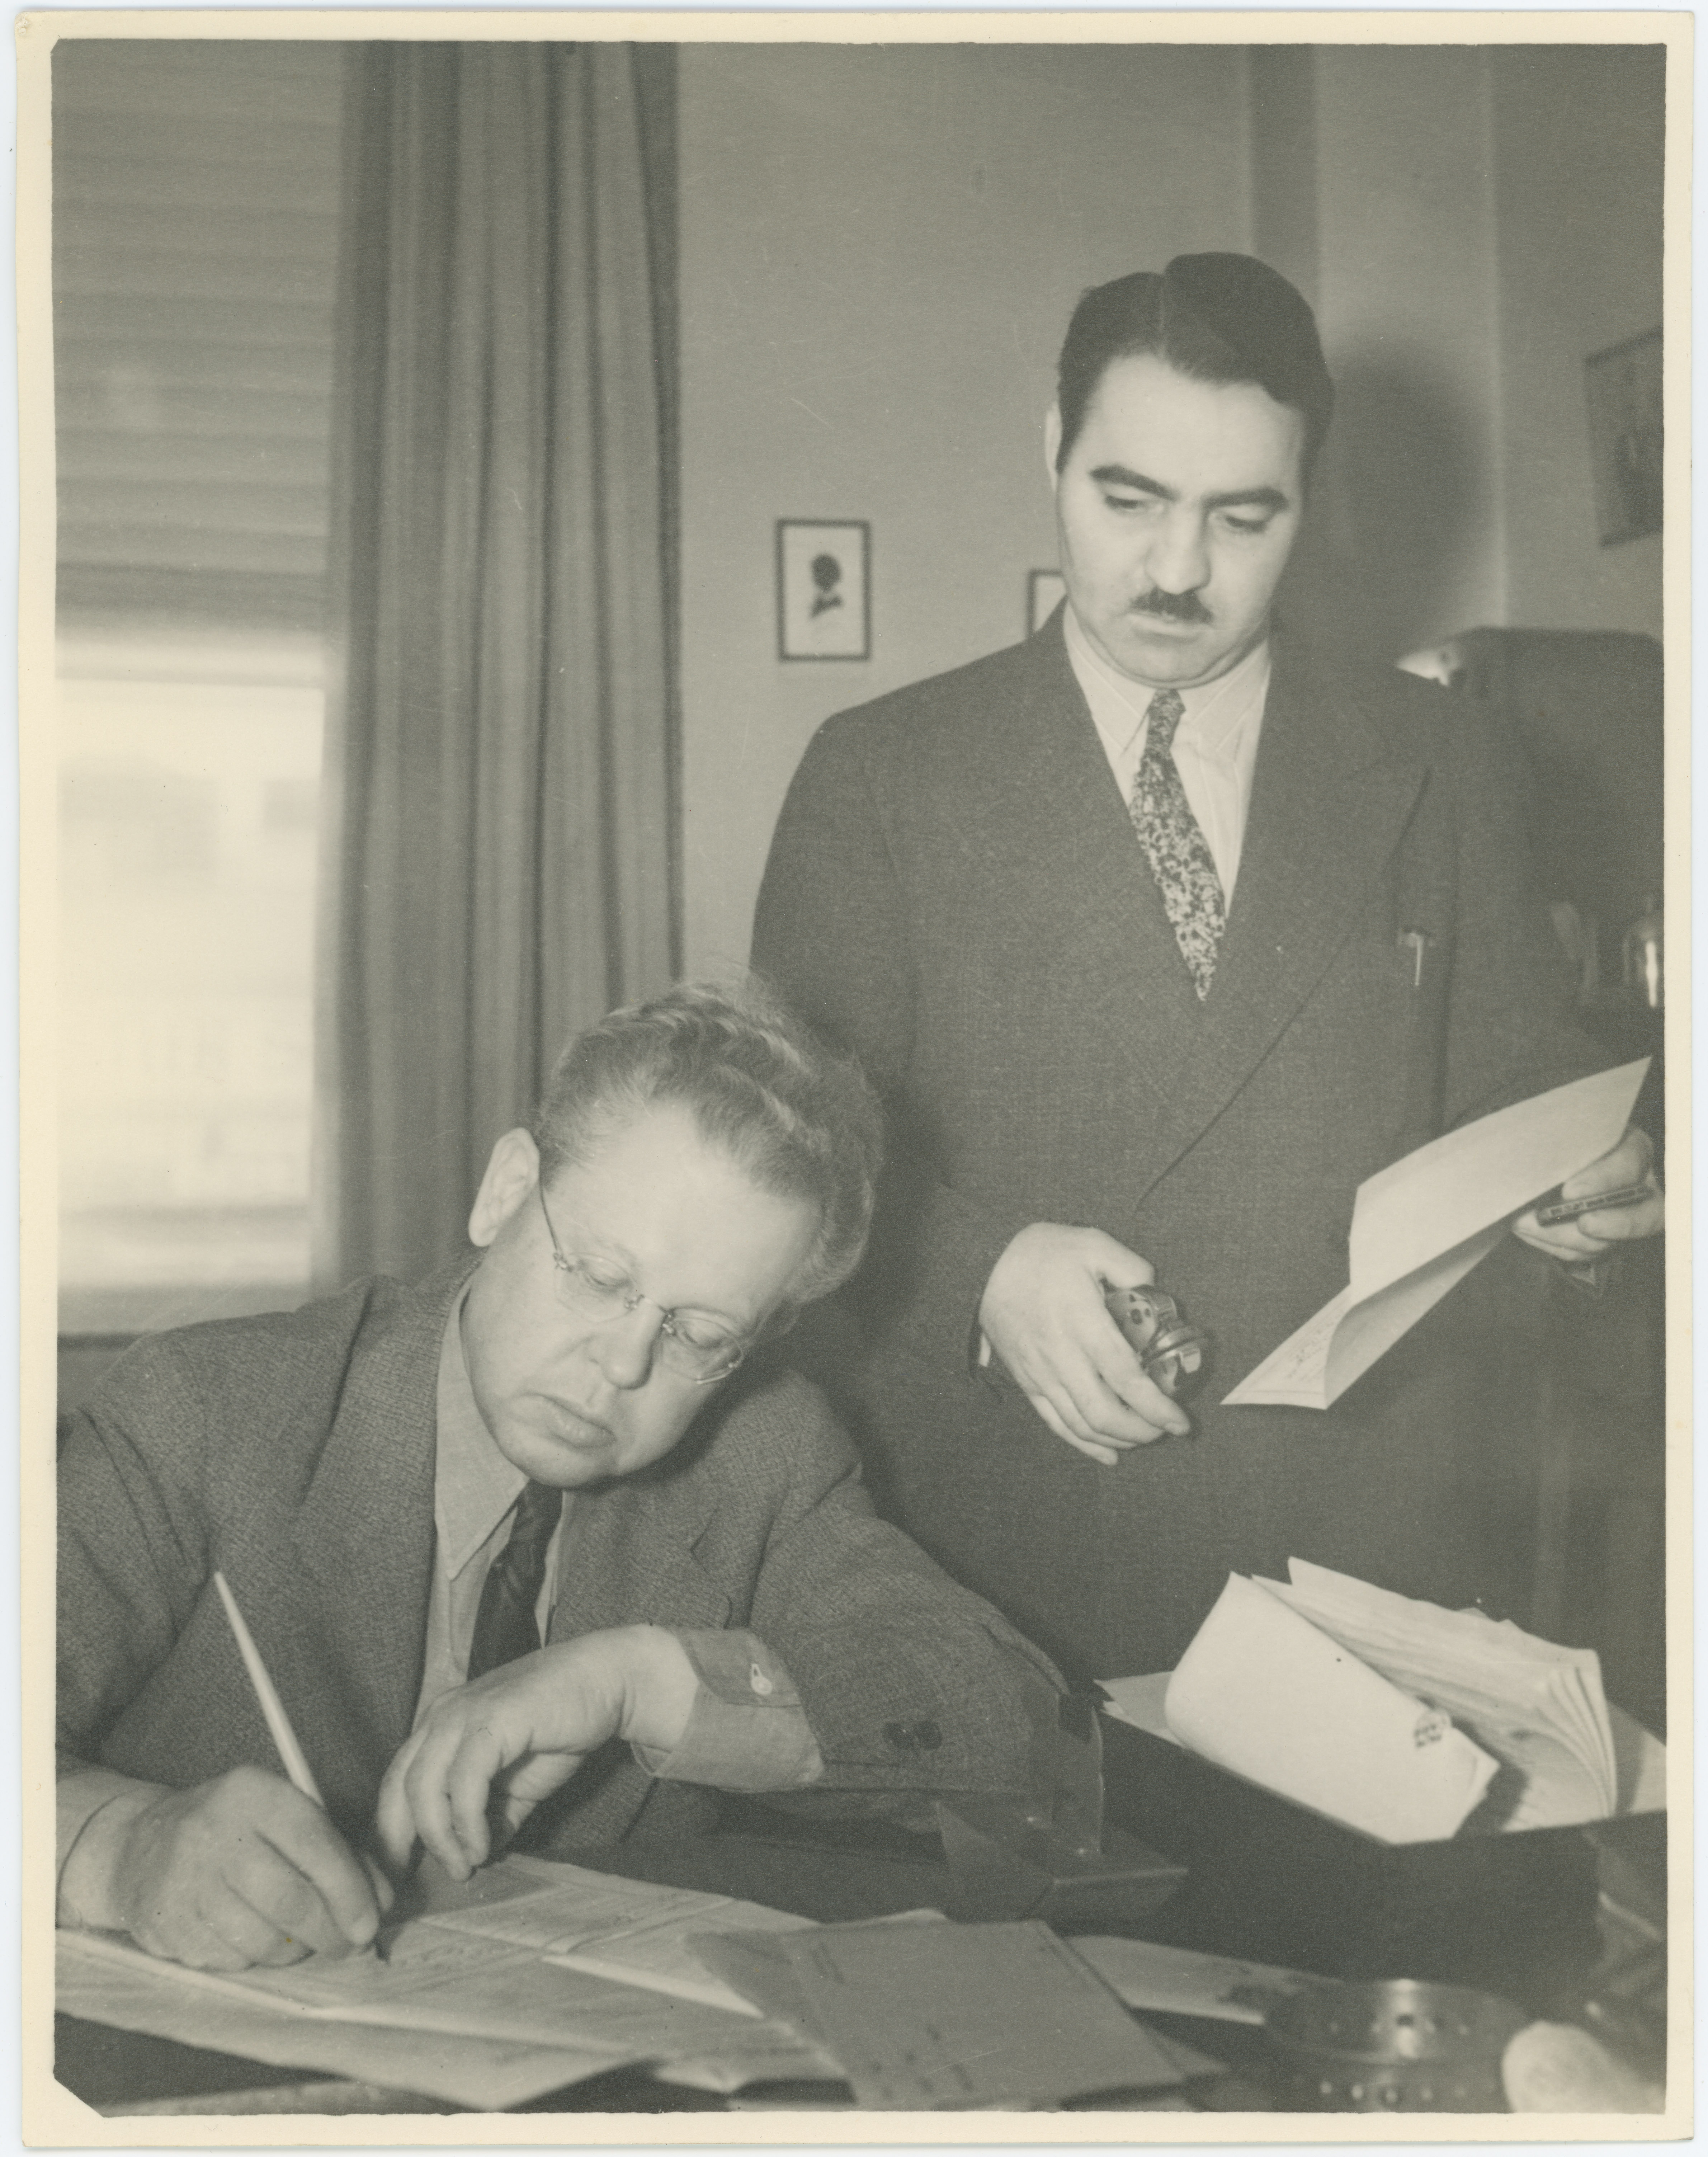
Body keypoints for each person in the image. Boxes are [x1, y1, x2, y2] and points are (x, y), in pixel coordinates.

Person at [752, 253, 1662, 1686]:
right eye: (1129, 501)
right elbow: (783, 1168)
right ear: (1052, 453)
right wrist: (979, 1276)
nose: (1178, 572)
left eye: (1243, 518)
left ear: (1313, 495)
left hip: (1362, 1564)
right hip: (999, 1568)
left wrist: (1591, 1171)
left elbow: (1521, 1070)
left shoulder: (1446, 758)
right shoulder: (880, 776)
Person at [57, 982, 1062, 1973]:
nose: (622, 1365)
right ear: (505, 1191)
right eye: (601, 1277)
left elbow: (1014, 1720)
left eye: (700, 1334)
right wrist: (122, 1850)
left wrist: (641, 1682)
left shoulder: (766, 1456)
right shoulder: (211, 1411)